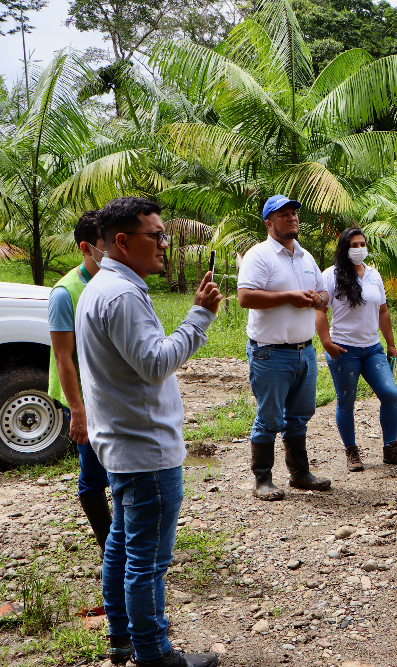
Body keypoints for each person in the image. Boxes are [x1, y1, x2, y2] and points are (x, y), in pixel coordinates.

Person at [76, 197, 221, 667]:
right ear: (122, 241)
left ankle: (123, 639)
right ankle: (155, 654)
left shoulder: (102, 287)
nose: (164, 243)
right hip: (145, 450)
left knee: (121, 547)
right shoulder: (120, 295)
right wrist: (198, 316)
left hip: (122, 443)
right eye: (155, 235)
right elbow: (155, 363)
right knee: (146, 562)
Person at [237, 195, 329, 501]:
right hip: (270, 352)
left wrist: (318, 300)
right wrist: (288, 296)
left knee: (300, 414)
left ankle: (299, 474)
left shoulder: (305, 256)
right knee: (270, 416)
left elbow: (323, 294)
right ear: (269, 222)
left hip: (305, 350)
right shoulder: (259, 255)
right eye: (284, 214)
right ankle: (262, 479)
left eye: (294, 213)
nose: (292, 218)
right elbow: (246, 297)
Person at [316, 228, 397, 472]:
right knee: (346, 401)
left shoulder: (373, 275)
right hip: (343, 349)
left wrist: (390, 343)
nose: (360, 248)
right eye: (354, 245)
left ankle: (390, 448)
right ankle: (351, 451)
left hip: (372, 348)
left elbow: (383, 311)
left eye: (363, 244)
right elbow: (320, 311)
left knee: (390, 394)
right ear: (344, 248)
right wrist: (326, 343)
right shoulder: (331, 275)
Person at [47, 212, 114, 556]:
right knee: (92, 474)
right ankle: (109, 546)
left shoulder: (117, 280)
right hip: (85, 398)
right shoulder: (65, 292)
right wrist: (78, 412)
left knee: (116, 468)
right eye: (105, 244)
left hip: (109, 394)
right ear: (86, 248)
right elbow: (63, 358)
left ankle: (122, 542)